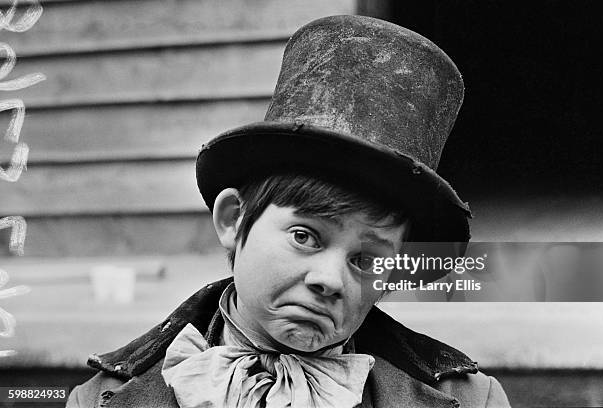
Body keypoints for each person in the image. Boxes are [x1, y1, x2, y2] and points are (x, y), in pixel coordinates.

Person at [67, 15, 510, 408]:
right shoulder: (100, 401)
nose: (330, 281)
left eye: (367, 260)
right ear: (233, 219)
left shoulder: (470, 401)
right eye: (305, 236)